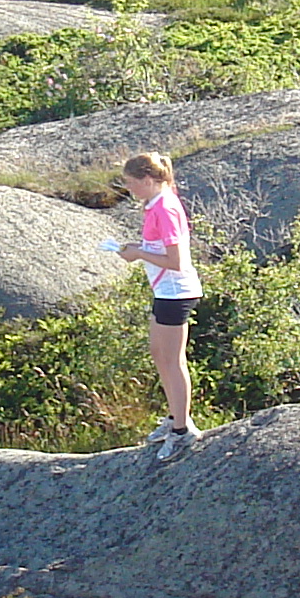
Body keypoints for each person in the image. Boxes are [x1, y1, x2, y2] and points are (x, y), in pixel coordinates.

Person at [114, 152, 202, 450]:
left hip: (176, 291)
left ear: (148, 180)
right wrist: (138, 247)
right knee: (159, 354)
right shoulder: (155, 205)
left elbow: (176, 261)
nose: (129, 189)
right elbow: (159, 248)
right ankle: (175, 416)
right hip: (165, 292)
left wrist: (138, 253)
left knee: (173, 360)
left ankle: (181, 430)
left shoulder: (165, 208)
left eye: (131, 183)